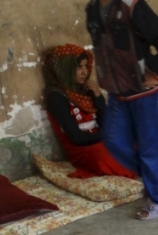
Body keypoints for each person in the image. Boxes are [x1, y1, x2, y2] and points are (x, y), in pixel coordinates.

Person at [78, 0, 158, 220]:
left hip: (146, 93)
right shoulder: (95, 7)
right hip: (118, 94)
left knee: (153, 144)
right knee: (112, 141)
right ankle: (154, 177)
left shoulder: (130, 3)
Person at [43, 43, 137, 179]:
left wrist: (98, 97)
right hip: (83, 150)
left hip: (99, 139)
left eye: (85, 66)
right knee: (104, 152)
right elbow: (78, 139)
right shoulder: (56, 97)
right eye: (79, 67)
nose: (85, 72)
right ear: (66, 69)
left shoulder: (85, 90)